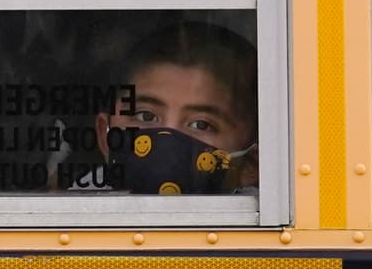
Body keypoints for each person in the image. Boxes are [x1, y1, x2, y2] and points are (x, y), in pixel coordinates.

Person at [77, 21, 258, 194]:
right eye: (146, 116)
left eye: (201, 124)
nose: (167, 141)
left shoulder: (259, 216)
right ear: (104, 137)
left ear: (251, 164)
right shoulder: (77, 210)